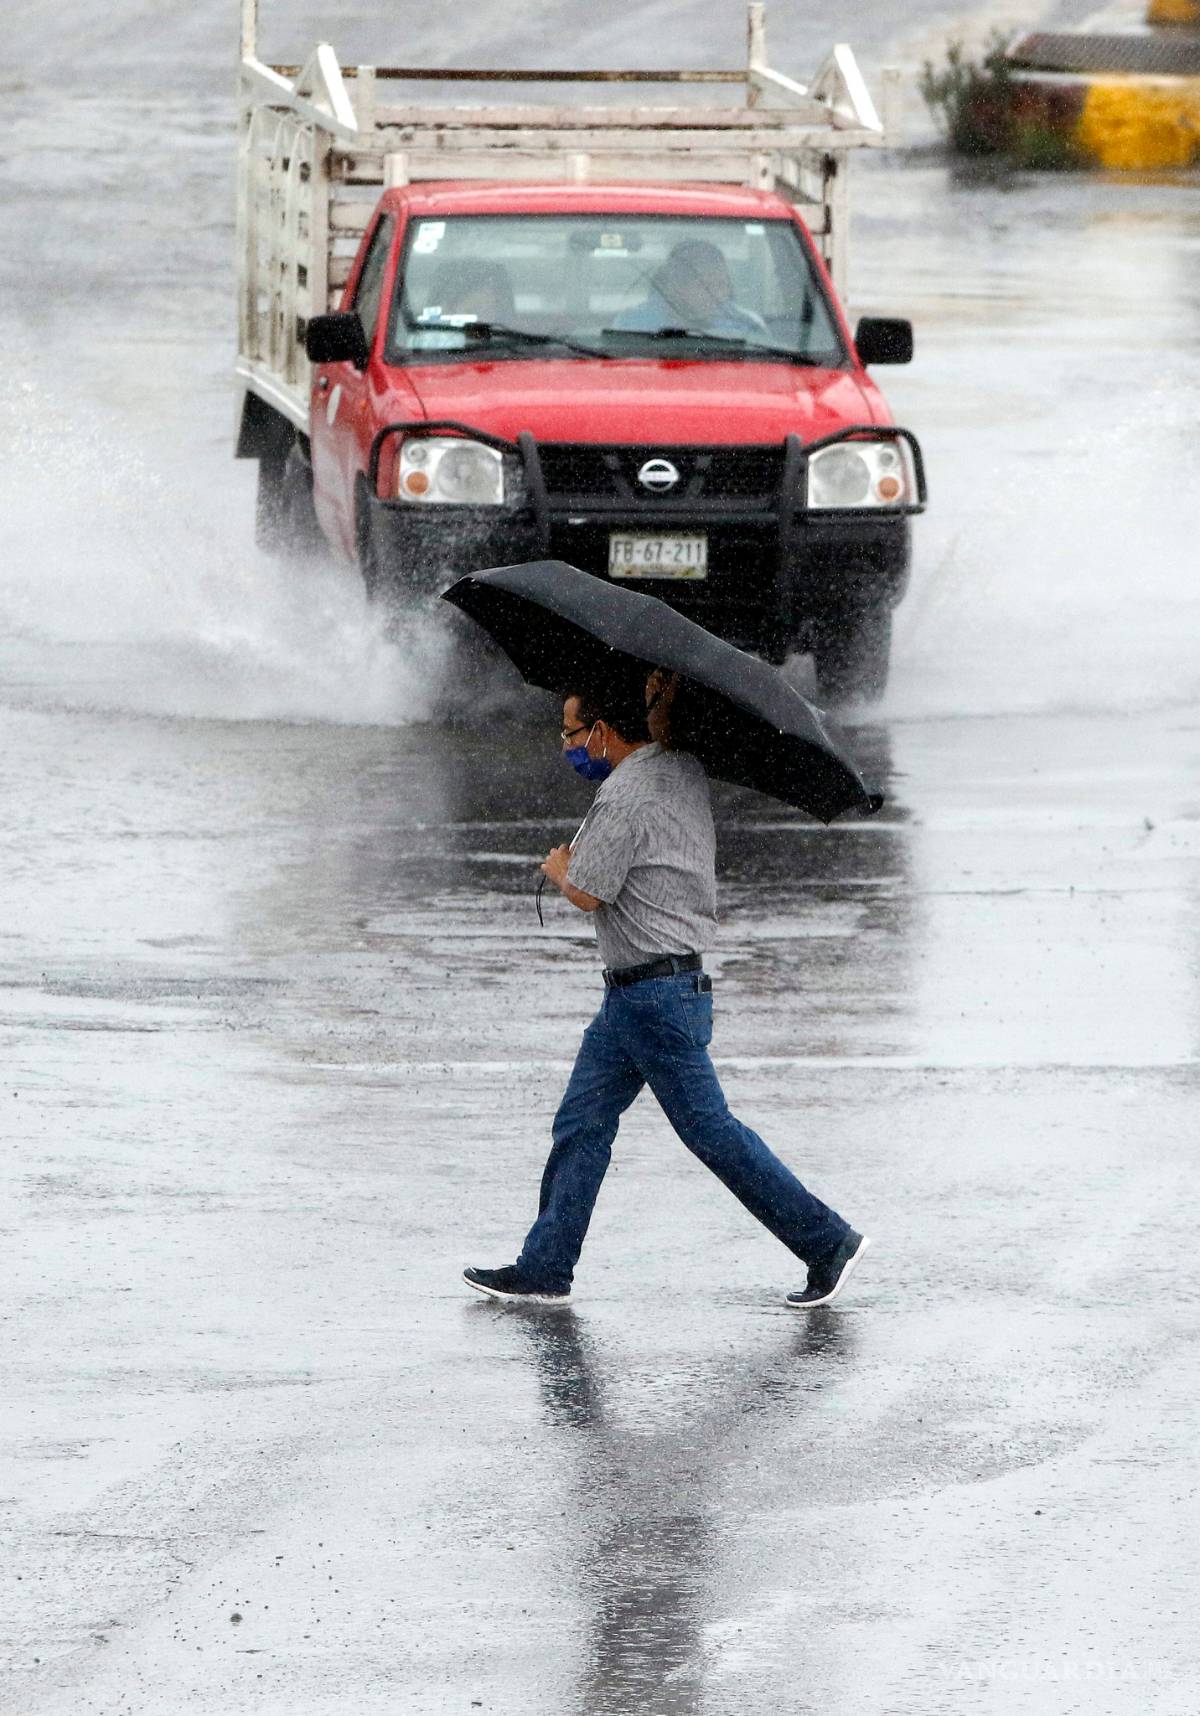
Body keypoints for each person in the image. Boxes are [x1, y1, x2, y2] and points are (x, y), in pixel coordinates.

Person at [463, 675, 870, 1308]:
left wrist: (558, 868)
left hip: (654, 998)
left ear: (601, 732)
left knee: (711, 1133)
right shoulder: (678, 765)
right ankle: (545, 1267)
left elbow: (589, 891)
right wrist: (662, 700)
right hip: (643, 994)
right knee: (582, 1122)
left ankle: (825, 1240)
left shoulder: (624, 797)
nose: (566, 744)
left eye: (571, 731)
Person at [611, 239, 768, 340]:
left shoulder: (748, 326)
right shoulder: (631, 323)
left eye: (722, 285)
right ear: (676, 286)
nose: (719, 295)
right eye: (707, 286)